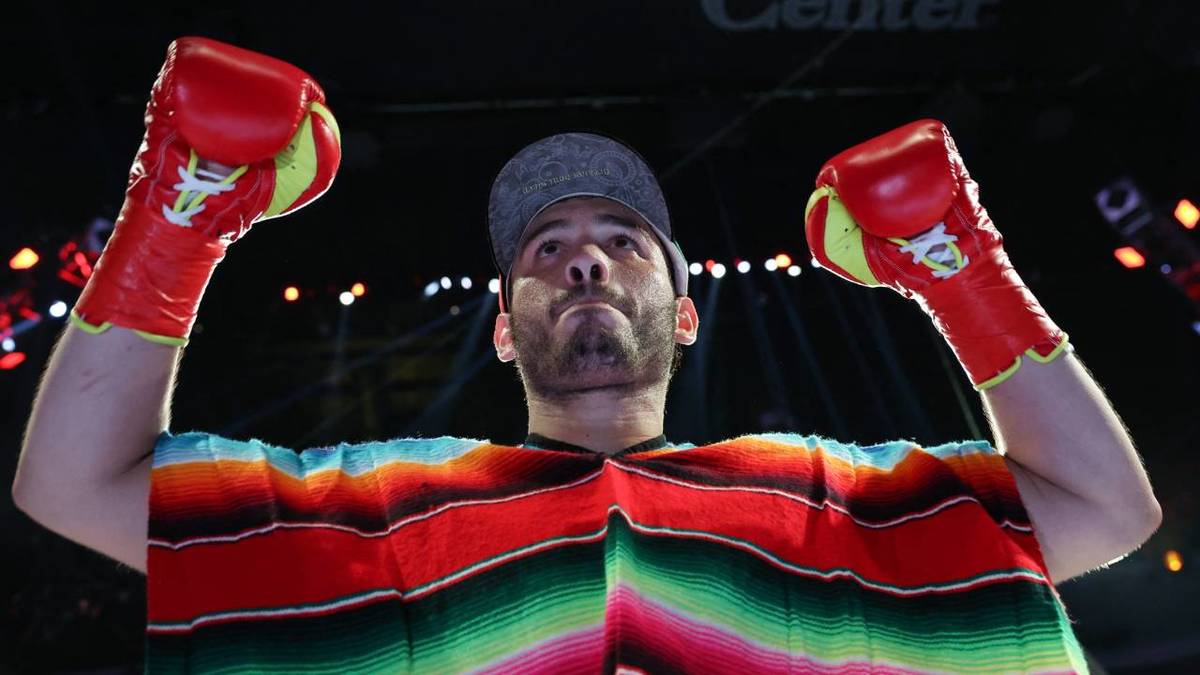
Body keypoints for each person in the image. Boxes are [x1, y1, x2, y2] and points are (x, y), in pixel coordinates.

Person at [13, 37, 1161, 674]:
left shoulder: (835, 498)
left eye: (623, 242)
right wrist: (175, 223)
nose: (586, 262)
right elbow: (70, 485)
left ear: (690, 311)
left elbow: (1107, 511)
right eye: (549, 248)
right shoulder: (378, 507)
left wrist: (963, 269)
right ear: (505, 327)